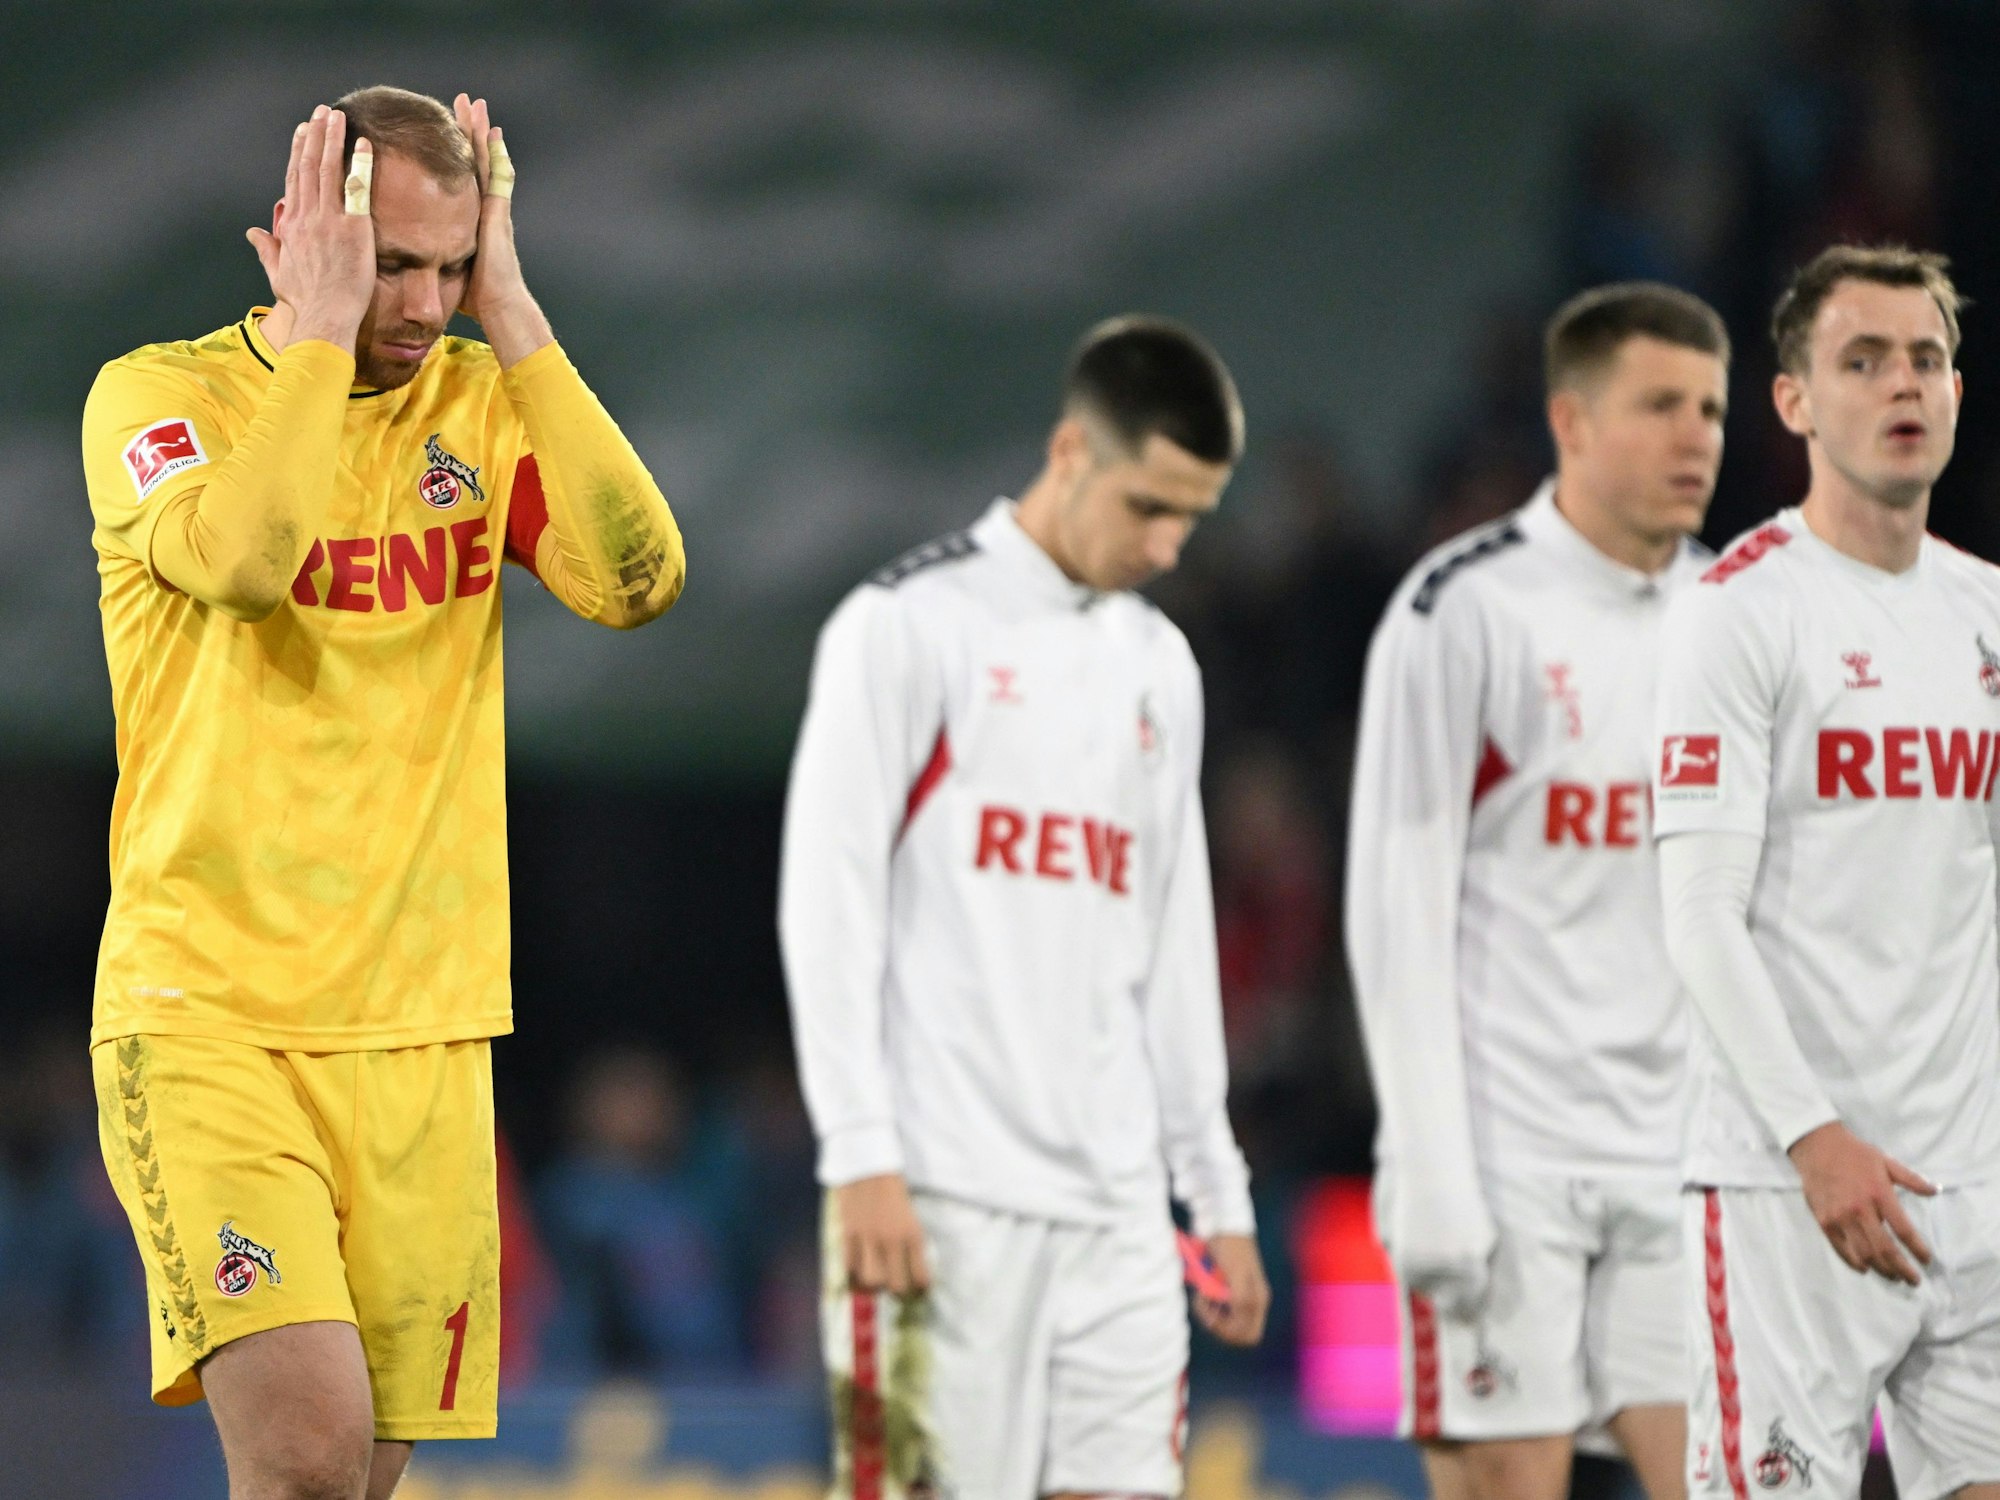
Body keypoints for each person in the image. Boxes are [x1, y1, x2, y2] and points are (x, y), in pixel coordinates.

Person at [81, 88, 684, 1500]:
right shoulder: (158, 398)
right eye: (386, 263)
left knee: (352, 1485)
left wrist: (517, 317)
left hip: (425, 1035)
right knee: (302, 1462)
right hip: (212, 1018)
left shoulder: (481, 405)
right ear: (295, 242)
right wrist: (311, 341)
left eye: (447, 264)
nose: (418, 303)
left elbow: (640, 582)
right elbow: (244, 557)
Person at [778, 316, 1270, 1499]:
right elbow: (824, 900)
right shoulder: (903, 625)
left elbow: (1170, 939)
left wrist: (1215, 1191)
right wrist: (859, 1154)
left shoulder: (1160, 666)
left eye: (1190, 519)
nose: (1164, 545)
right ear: (1068, 452)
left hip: (1115, 1219)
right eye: (1147, 507)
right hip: (936, 1199)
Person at [1347, 282, 1730, 1500]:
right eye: (1659, 405)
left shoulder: (1738, 617)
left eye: (1712, 409)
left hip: (1679, 1153)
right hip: (1507, 1152)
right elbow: (1392, 899)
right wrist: (1428, 1169)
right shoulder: (1465, 609)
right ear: (1568, 422)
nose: (1695, 439)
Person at [1655, 245, 2000, 1500]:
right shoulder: (1737, 611)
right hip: (1784, 1193)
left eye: (1924, 359)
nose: (1900, 384)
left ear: (1958, 392)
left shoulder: (1986, 615)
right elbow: (1697, 915)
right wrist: (1812, 1137)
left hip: (1971, 1189)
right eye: (1860, 360)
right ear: (1793, 400)